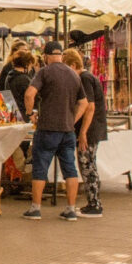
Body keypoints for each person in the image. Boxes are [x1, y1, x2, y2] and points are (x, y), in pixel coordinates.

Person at [22, 42, 88, 221]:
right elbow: (84, 103)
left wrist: (30, 113)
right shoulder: (74, 75)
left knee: (40, 167)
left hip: (47, 128)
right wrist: (72, 119)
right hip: (67, 130)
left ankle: (35, 208)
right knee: (70, 169)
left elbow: (29, 94)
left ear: (46, 56)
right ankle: (71, 209)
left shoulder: (44, 72)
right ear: (61, 55)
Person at [65, 49, 107, 218]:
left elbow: (89, 107)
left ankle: (94, 204)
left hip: (89, 129)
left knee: (87, 165)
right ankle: (93, 202)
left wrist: (82, 132)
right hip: (91, 129)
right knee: (88, 164)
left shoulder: (84, 79)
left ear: (74, 65)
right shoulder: (86, 78)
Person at [0, 52, 34, 119]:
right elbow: (31, 96)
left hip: (13, 114)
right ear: (27, 64)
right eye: (31, 66)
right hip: (23, 115)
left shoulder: (9, 75)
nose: (31, 69)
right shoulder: (24, 79)